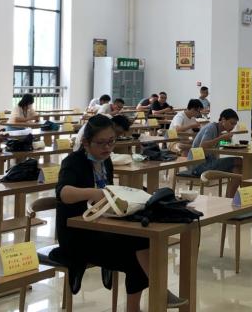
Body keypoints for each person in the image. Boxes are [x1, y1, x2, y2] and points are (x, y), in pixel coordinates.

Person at [52, 115, 186, 311]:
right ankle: (156, 292)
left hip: (101, 226)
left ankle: (141, 303)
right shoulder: (73, 162)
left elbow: (109, 195)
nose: (107, 148)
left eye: (111, 142)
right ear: (86, 143)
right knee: (138, 250)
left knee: (142, 242)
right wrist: (94, 193)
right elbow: (63, 193)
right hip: (77, 235)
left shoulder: (105, 161)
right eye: (101, 143)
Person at [190, 109, 243, 196]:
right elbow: (202, 146)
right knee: (239, 161)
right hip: (198, 165)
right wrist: (221, 138)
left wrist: (226, 139)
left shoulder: (218, 130)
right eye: (231, 123)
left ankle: (229, 199)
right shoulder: (211, 128)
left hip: (207, 161)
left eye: (234, 124)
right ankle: (232, 197)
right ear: (223, 120)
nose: (233, 127)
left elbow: (215, 145)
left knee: (237, 170)